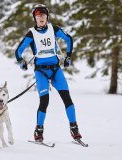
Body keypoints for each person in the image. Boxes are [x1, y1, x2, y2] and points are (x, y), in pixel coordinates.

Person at [15, 4, 82, 142]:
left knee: (67, 99)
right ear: (34, 17)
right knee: (44, 101)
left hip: (55, 70)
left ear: (47, 17)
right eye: (38, 15)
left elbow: (69, 39)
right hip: (41, 72)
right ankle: (38, 131)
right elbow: (18, 50)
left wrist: (68, 56)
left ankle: (74, 129)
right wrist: (21, 62)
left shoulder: (54, 29)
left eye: (43, 15)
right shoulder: (31, 33)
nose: (41, 17)